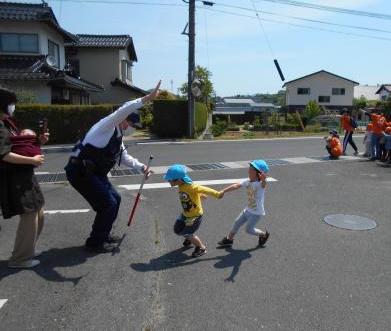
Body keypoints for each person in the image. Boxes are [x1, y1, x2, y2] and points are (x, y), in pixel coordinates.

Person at [65, 81, 161, 253]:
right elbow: (122, 110)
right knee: (108, 203)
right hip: (80, 171)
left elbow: (123, 157)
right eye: (132, 125)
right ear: (124, 120)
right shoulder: (107, 126)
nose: (132, 129)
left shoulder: (118, 136)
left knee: (115, 199)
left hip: (93, 172)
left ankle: (104, 234)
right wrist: (147, 98)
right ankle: (95, 242)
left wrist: (142, 167)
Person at [0, 87, 49, 268]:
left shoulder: (7, 123)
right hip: (14, 178)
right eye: (11, 103)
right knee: (29, 213)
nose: (13, 106)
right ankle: (20, 258)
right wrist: (32, 159)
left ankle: (27, 249)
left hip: (24, 174)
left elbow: (19, 144)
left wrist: (39, 141)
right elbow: (4, 155)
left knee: (37, 210)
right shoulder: (0, 125)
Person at [164, 164, 223, 258]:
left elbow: (204, 188)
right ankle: (190, 239)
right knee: (177, 229)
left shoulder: (190, 187)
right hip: (186, 214)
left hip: (195, 216)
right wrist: (199, 195)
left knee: (185, 232)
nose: (168, 181)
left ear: (178, 179)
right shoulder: (182, 184)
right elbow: (192, 194)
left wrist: (217, 194)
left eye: (169, 179)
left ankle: (201, 248)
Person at [218, 160, 270, 248]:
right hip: (247, 209)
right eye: (249, 169)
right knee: (237, 222)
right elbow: (236, 185)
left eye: (252, 170)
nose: (249, 171)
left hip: (256, 213)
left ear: (259, 174)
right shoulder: (248, 181)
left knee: (248, 230)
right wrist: (224, 191)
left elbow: (264, 184)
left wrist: (264, 179)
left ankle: (263, 234)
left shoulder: (260, 184)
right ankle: (229, 239)